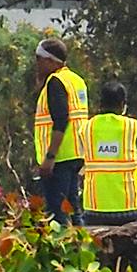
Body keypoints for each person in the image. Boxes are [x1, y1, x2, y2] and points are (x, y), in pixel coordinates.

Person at [28, 38, 88, 225]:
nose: (37, 64)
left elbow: (61, 121)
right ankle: (79, 241)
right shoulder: (76, 80)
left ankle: (64, 244)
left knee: (57, 213)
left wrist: (49, 157)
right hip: (76, 154)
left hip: (59, 158)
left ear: (50, 60)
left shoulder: (55, 82)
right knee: (73, 209)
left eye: (39, 59)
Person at [78, 82, 137, 226]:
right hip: (130, 208)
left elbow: (81, 159)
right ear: (122, 104)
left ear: (100, 104)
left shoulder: (86, 127)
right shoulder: (133, 127)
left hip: (95, 209)